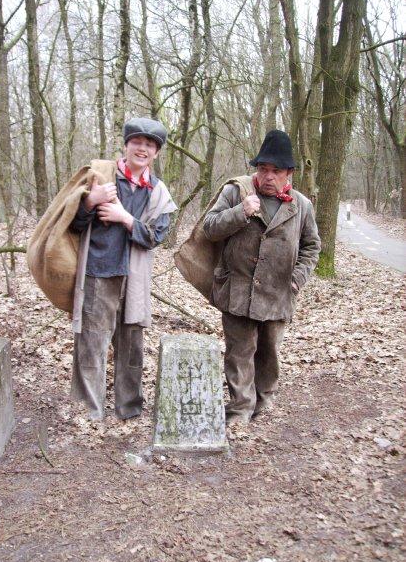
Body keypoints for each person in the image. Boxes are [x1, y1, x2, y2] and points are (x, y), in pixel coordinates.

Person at [203, 129, 321, 425]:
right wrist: (240, 212)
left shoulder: (301, 205)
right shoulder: (236, 192)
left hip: (279, 292)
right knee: (239, 353)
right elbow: (210, 228)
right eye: (263, 169)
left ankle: (263, 405)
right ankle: (240, 409)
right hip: (238, 288)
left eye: (276, 171)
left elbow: (312, 246)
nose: (268, 176)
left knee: (268, 355)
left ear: (289, 174)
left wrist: (297, 279)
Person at [70, 117, 177, 421]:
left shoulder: (158, 191)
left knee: (131, 347)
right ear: (126, 145)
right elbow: (74, 225)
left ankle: (128, 409)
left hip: (135, 279)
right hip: (97, 272)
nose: (142, 149)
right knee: (92, 344)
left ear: (156, 152)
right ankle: (90, 413)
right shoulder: (100, 177)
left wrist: (123, 217)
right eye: (137, 142)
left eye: (149, 145)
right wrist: (90, 201)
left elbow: (155, 236)